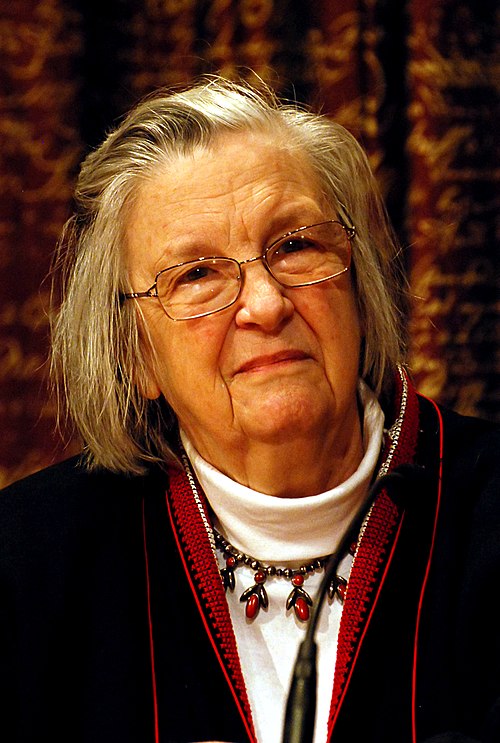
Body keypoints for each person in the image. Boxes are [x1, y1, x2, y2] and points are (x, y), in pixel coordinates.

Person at [0, 77, 498, 743]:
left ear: (357, 283)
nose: (265, 304)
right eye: (196, 274)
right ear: (136, 354)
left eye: (296, 245)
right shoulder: (26, 562)